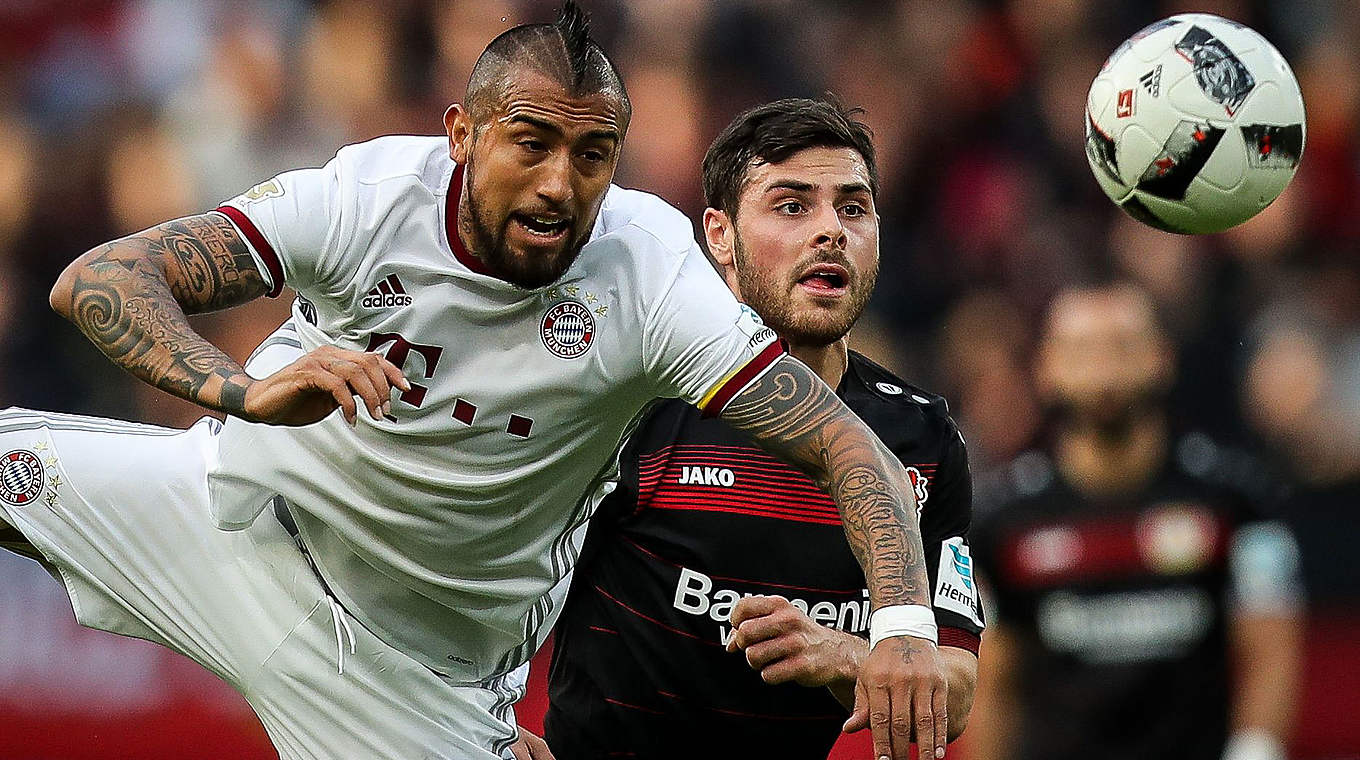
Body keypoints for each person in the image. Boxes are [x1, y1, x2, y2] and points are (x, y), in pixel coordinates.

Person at [0, 4, 947, 760]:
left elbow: (842, 442)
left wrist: (903, 623)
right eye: (529, 143)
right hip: (228, 519)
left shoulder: (648, 272)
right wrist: (240, 393)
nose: (557, 185)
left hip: (408, 682)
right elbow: (102, 280)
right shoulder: (364, 199)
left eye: (591, 155)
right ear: (462, 132)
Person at [539, 98, 984, 759]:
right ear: (719, 235)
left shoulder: (921, 437)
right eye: (792, 205)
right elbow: (487, 569)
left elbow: (954, 692)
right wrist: (492, 718)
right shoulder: (637, 406)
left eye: (853, 208)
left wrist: (845, 657)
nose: (831, 230)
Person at [968, 282, 1304, 760]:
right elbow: (993, 688)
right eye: (1083, 350)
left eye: (1122, 347)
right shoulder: (1001, 522)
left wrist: (1255, 751)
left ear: (1162, 358)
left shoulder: (1235, 499)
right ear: (1046, 368)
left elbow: (1271, 651)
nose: (1104, 369)